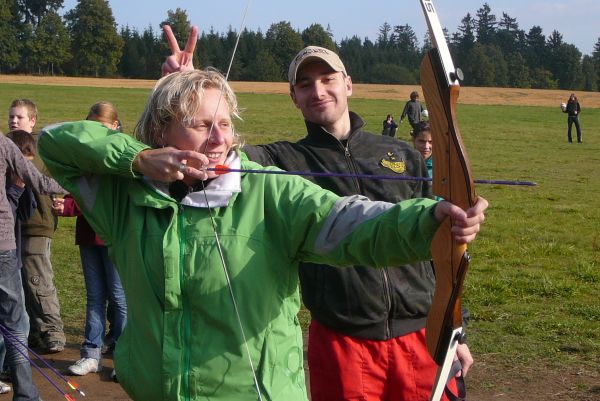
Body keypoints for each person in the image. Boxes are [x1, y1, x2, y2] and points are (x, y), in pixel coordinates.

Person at [38, 68, 487, 401]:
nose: (218, 138)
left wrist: (430, 221)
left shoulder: (270, 191)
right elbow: (54, 141)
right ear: (161, 132)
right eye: (201, 125)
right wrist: (136, 159)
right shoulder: (124, 199)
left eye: (225, 124)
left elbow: (353, 222)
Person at [162, 31, 479, 401]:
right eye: (305, 84)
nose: (318, 91)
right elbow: (213, 160)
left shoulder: (400, 153)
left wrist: (455, 328)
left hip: (422, 334)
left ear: (348, 84)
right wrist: (186, 91)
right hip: (343, 341)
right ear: (293, 97)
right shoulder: (281, 161)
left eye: (328, 79)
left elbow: (439, 249)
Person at [52, 101, 127, 377]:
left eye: (102, 126)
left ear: (115, 126)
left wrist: (71, 206)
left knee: (119, 297)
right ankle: (91, 354)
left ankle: (124, 357)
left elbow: (103, 198)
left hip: (114, 237)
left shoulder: (120, 155)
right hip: (88, 236)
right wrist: (66, 204)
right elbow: (79, 189)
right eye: (92, 126)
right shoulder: (82, 155)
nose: (96, 131)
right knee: (95, 297)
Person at [0, 127, 66, 401]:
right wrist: (78, 184)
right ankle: (26, 394)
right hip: (3, 245)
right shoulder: (3, 144)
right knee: (15, 323)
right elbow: (38, 182)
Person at [8, 99, 66, 354]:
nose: (13, 121)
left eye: (19, 117)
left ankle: (53, 332)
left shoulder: (43, 152)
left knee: (38, 281)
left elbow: (53, 182)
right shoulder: (5, 145)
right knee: (19, 286)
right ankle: (32, 332)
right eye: (11, 116)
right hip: (11, 229)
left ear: (32, 121)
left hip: (37, 224)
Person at [1, 130, 39, 397]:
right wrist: (14, 189)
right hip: (5, 255)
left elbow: (26, 213)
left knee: (18, 323)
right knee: (16, 325)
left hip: (10, 258)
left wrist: (23, 188)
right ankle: (25, 393)